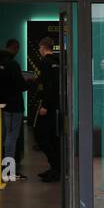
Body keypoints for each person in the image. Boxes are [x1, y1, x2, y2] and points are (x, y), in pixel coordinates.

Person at [0, 38, 30, 181]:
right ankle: (8, 172)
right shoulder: (12, 64)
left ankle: (1, 168)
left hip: (0, 104)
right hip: (14, 106)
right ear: (15, 48)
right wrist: (30, 82)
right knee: (11, 139)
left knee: (3, 137)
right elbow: (21, 86)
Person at [35, 35, 62, 182]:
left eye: (39, 48)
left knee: (41, 136)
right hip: (57, 104)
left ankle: (55, 167)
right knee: (53, 137)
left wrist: (44, 105)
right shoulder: (57, 62)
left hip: (48, 106)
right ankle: (56, 167)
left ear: (43, 47)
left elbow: (48, 86)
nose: (39, 50)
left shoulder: (45, 62)